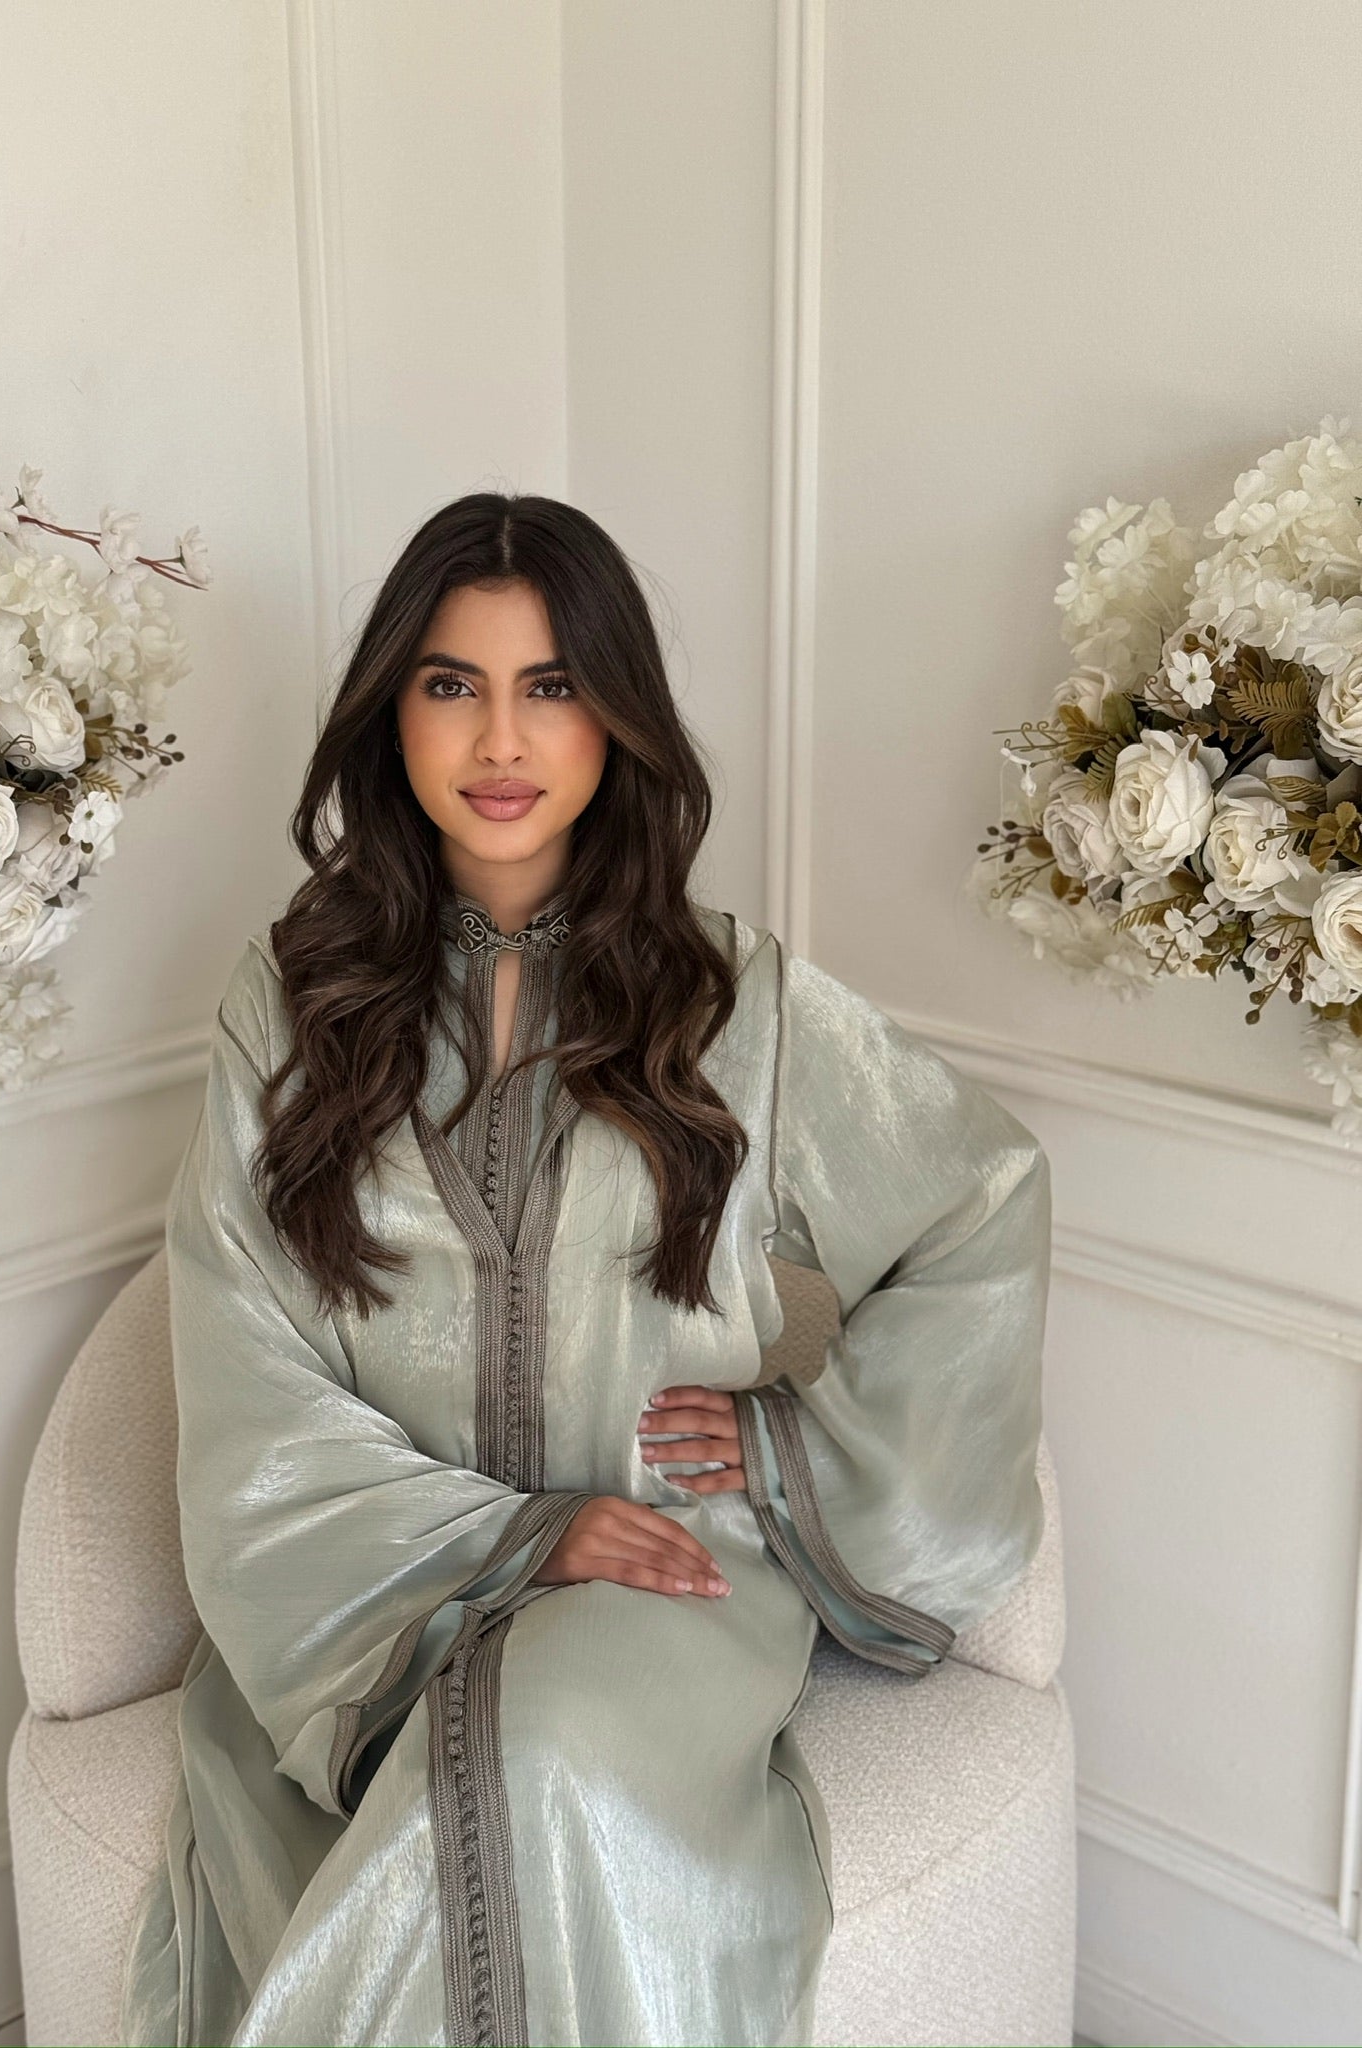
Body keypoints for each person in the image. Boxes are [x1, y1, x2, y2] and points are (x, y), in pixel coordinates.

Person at [119, 492, 1052, 2048]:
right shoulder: (288, 1003)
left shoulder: (736, 1001)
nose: (501, 738)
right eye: (450, 683)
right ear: (389, 717)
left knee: (532, 1758)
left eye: (550, 686)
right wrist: (517, 1535)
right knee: (436, 1792)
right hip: (372, 1589)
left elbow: (983, 1199)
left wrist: (787, 1450)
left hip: (669, 1581)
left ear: (616, 719)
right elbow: (241, 1347)